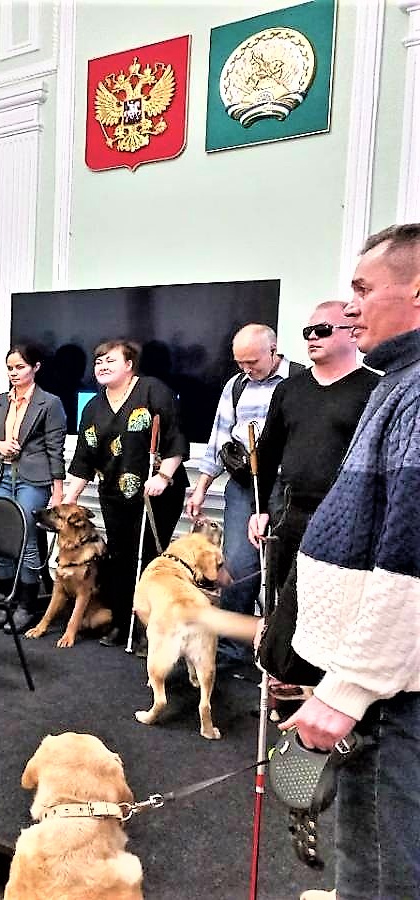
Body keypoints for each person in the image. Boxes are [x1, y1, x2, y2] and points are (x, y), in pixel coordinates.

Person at [283, 224, 420, 900]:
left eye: (363, 290)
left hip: (393, 695)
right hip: (378, 685)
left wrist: (347, 690)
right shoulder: (400, 382)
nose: (351, 308)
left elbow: (410, 570)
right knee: (363, 845)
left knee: (385, 861)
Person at [186, 323, 302, 671]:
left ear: (274, 350)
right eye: (240, 363)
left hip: (286, 485)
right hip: (242, 484)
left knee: (284, 566)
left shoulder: (299, 380)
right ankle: (232, 649)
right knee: (237, 564)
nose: (247, 369)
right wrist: (202, 486)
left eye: (253, 361)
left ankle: (282, 649)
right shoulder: (236, 386)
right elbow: (218, 437)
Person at [63, 339, 188, 652]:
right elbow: (84, 458)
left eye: (110, 361)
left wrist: (163, 476)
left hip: (157, 493)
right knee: (119, 559)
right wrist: (69, 497)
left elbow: (175, 438)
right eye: (99, 362)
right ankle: (121, 621)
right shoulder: (93, 406)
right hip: (114, 494)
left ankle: (150, 629)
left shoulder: (152, 390)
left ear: (129, 364)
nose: (102, 366)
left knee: (148, 558)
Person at [247, 303, 379, 592]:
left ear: (352, 333)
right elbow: (268, 452)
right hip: (291, 512)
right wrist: (260, 509)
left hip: (347, 516)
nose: (313, 337)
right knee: (285, 597)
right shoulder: (289, 389)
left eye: (323, 330)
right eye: (308, 331)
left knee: (334, 598)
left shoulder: (374, 388)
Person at [0, 344, 67, 630]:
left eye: (20, 367)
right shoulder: (0, 401)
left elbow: (55, 450)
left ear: (35, 367)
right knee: (0, 539)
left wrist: (58, 491)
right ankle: (7, 601)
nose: (14, 373)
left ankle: (27, 606)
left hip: (34, 478)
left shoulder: (49, 403)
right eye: (10, 368)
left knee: (28, 539)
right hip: (1, 474)